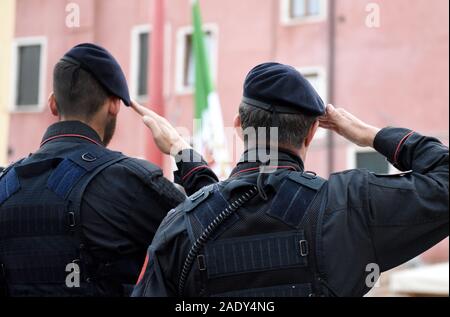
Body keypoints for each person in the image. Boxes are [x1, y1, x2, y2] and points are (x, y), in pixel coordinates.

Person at [131, 62, 449, 297]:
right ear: (313, 132)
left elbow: (224, 215)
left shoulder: (179, 228)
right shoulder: (348, 207)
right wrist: (367, 135)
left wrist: (183, 155)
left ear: (239, 126)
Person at [0, 44, 186, 297]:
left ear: (53, 104)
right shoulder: (130, 182)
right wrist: (182, 151)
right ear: (113, 105)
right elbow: (214, 231)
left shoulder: (4, 186)